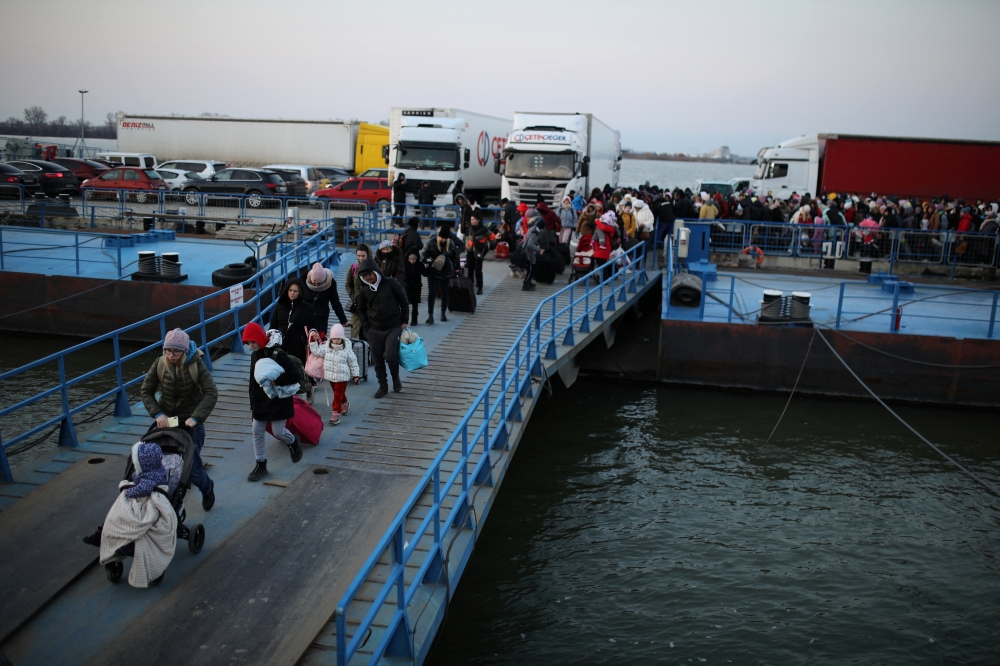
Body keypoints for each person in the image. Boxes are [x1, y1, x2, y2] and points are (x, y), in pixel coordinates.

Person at [140, 328, 218, 511]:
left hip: (190, 423)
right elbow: (146, 391)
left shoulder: (195, 364)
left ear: (183, 351)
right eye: (167, 350)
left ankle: (207, 488)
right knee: (163, 464)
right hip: (168, 422)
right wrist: (158, 414)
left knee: (194, 470)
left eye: (175, 351)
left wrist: (196, 417)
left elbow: (211, 392)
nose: (170, 355)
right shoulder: (160, 363)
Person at [97, 441, 177, 588]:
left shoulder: (150, 477)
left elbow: (140, 490)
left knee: (123, 513)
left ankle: (118, 536)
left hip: (150, 500)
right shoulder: (157, 470)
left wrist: (128, 490)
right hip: (147, 494)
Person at [241, 323, 303, 482]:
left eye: (253, 342)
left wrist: (275, 381)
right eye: (248, 343)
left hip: (277, 400)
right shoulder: (254, 355)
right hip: (260, 401)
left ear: (260, 338)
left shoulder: (277, 354)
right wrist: (252, 404)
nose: (251, 346)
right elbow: (253, 382)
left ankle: (293, 442)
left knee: (278, 432)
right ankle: (261, 464)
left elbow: (295, 375)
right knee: (257, 431)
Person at [355, 258, 409, 398]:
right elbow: (360, 309)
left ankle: (395, 378)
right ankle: (383, 386)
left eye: (370, 274)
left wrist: (404, 320)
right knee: (377, 359)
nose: (368, 278)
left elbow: (403, 300)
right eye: (365, 276)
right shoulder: (364, 289)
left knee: (390, 355)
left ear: (376, 272)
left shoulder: (391, 283)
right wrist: (367, 327)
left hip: (393, 326)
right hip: (374, 329)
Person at [270, 277, 316, 400]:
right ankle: (287, 394)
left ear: (300, 292)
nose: (292, 293)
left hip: (299, 343)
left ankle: (307, 387)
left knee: (299, 369)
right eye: (290, 290)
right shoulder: (280, 305)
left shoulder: (306, 307)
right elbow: (273, 324)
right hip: (281, 343)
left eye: (295, 291)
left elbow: (312, 326)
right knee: (283, 368)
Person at [309, 323, 360, 426]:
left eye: (338, 338)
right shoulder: (326, 347)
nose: (336, 340)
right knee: (338, 393)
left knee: (337, 395)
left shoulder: (347, 349)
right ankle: (345, 403)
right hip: (331, 376)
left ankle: (335, 413)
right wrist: (313, 341)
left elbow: (353, 362)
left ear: (342, 338)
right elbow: (317, 351)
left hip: (342, 377)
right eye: (334, 338)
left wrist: (355, 375)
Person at [303, 262, 347, 342]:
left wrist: (343, 320)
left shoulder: (330, 284)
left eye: (319, 283)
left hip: (321, 317)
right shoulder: (303, 280)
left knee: (319, 340)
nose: (316, 285)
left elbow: (335, 302)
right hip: (306, 316)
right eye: (314, 283)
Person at [422, 226, 457, 322]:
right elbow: (423, 255)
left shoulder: (451, 244)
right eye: (442, 237)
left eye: (445, 238)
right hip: (433, 270)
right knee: (432, 293)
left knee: (445, 293)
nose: (443, 239)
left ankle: (443, 313)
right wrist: (431, 261)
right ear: (439, 236)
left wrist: (454, 267)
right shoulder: (431, 243)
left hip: (446, 271)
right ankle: (430, 315)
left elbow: (454, 257)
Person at [345, 243, 372, 340]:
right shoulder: (353, 268)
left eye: (363, 256)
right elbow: (348, 284)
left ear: (368, 255)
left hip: (371, 307)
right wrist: (354, 297)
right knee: (361, 338)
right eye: (359, 256)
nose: (361, 258)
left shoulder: (374, 268)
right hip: (358, 308)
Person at [465, 209, 491, 295]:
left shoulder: (484, 229)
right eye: (471, 219)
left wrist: (488, 248)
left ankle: (480, 287)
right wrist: (467, 246)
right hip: (470, 251)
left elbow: (492, 238)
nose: (471, 221)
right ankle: (470, 285)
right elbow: (467, 238)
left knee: (478, 270)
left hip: (479, 251)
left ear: (478, 220)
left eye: (473, 219)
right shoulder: (469, 228)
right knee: (470, 269)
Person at [592, 210, 617, 279]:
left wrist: (597, 221)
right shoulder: (601, 225)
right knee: (601, 264)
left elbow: (603, 227)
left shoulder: (611, 228)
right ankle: (604, 278)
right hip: (598, 248)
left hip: (604, 248)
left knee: (602, 265)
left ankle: (605, 280)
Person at [403, 250, 424, 325]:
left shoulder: (419, 264)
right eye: (410, 259)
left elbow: (425, 273)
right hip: (407, 286)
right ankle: (404, 320)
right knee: (405, 304)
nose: (412, 261)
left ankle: (414, 319)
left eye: (414, 259)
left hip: (416, 286)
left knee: (415, 304)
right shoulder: (405, 264)